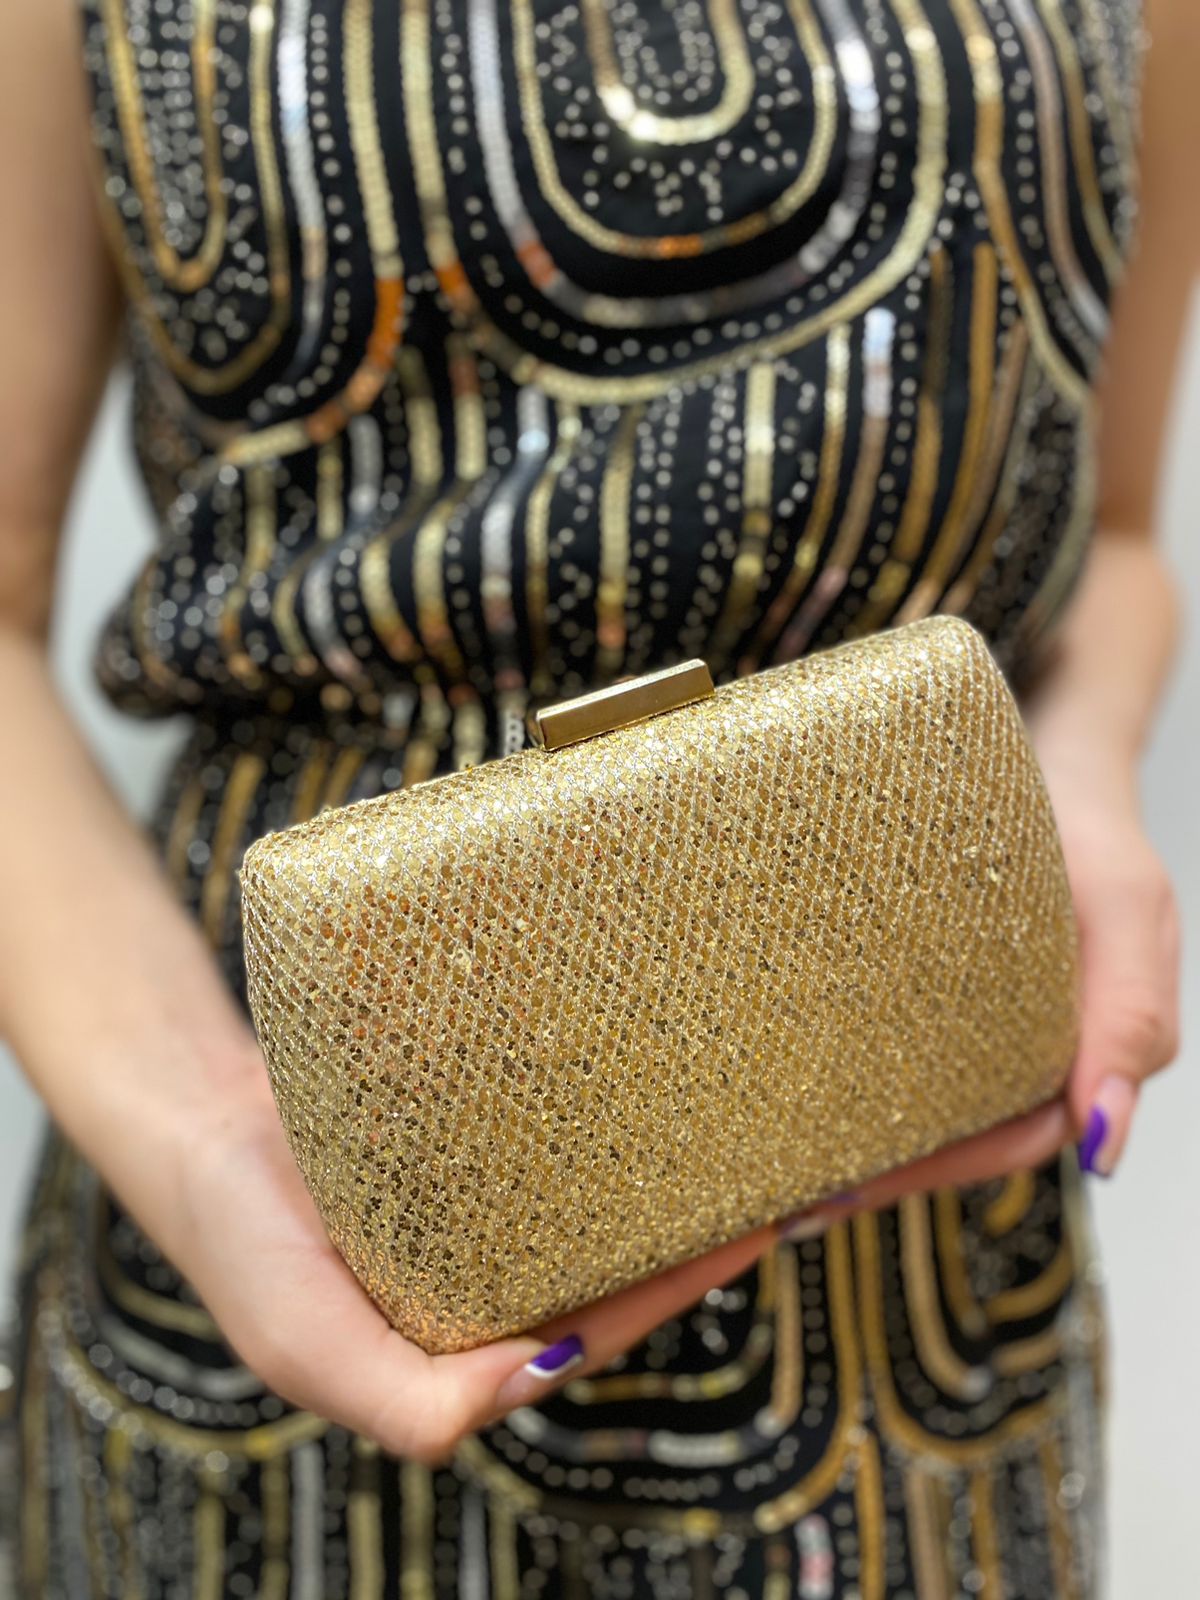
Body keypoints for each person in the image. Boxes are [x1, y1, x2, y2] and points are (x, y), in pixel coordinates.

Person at [2, 0, 1193, 1592]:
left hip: (916, 1242)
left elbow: (1115, 532)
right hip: (295, 1194)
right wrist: (207, 1143)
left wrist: (1084, 780)